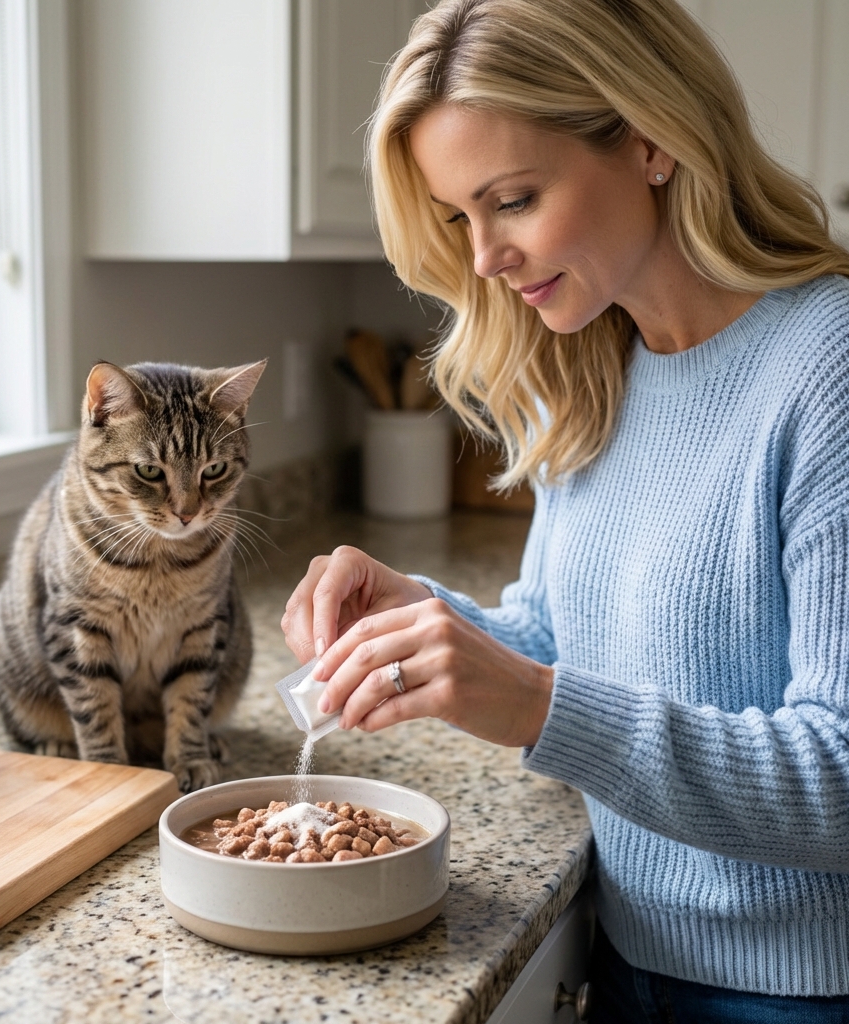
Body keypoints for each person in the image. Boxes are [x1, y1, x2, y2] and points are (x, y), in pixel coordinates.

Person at [279, 0, 849, 1020]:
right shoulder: (585, 365)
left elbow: (840, 773)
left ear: (649, 140)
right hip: (628, 950)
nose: (485, 256)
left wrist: (535, 702)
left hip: (800, 991)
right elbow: (563, 640)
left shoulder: (827, 370)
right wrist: (426, 621)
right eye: (460, 216)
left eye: (513, 199)